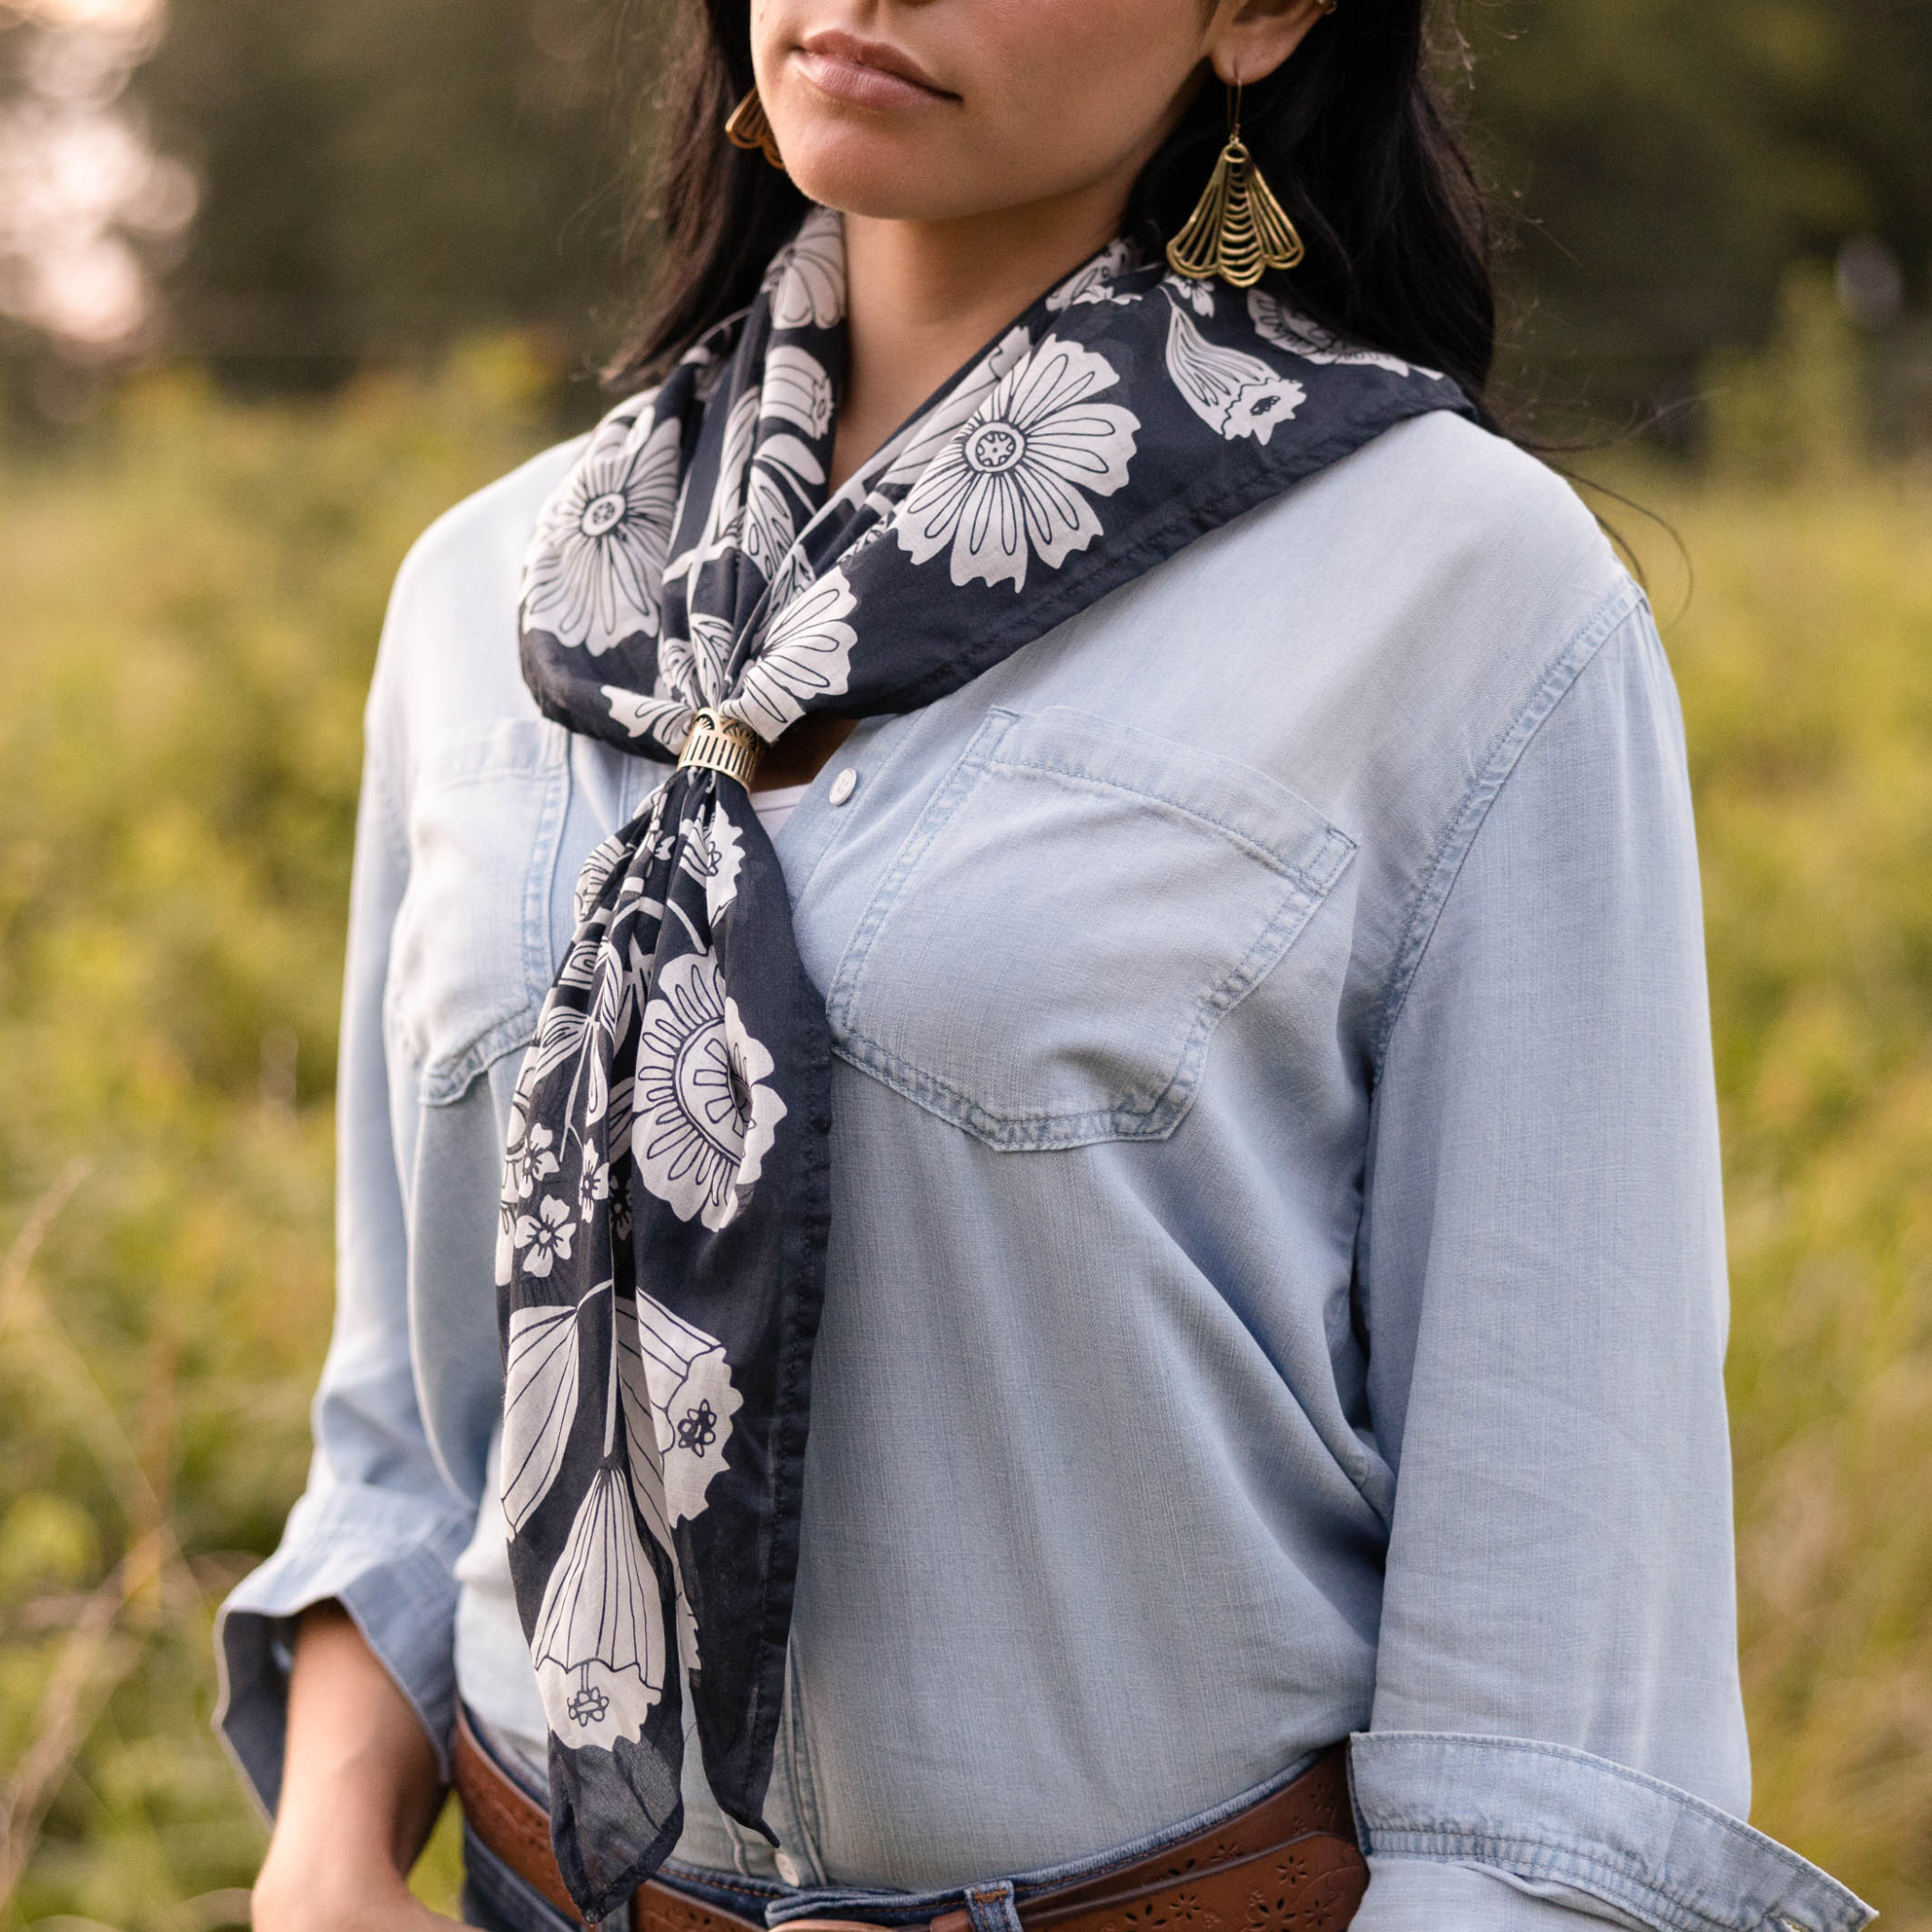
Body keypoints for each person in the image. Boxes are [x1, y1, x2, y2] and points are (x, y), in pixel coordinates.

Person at [217, 5, 1872, 1932]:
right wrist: (327, 1845)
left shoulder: (1467, 606)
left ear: (1254, 18)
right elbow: (414, 1437)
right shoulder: (490, 596)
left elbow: (1553, 1715)